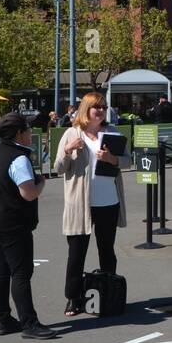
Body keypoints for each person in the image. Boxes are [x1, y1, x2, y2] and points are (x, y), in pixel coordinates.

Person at [0, 113, 55, 339]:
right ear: (19, 133)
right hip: (13, 223)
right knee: (21, 272)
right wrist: (41, 182)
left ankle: (3, 319)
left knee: (1, 270)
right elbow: (28, 193)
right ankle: (29, 323)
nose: (31, 133)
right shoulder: (18, 158)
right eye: (28, 129)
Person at [54, 91, 128, 316]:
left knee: (107, 251)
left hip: (108, 202)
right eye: (97, 107)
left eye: (104, 108)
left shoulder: (112, 132)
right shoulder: (71, 133)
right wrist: (68, 151)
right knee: (77, 253)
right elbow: (58, 168)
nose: (102, 111)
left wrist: (111, 159)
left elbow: (127, 161)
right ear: (86, 109)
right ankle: (73, 298)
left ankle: (108, 293)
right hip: (80, 204)